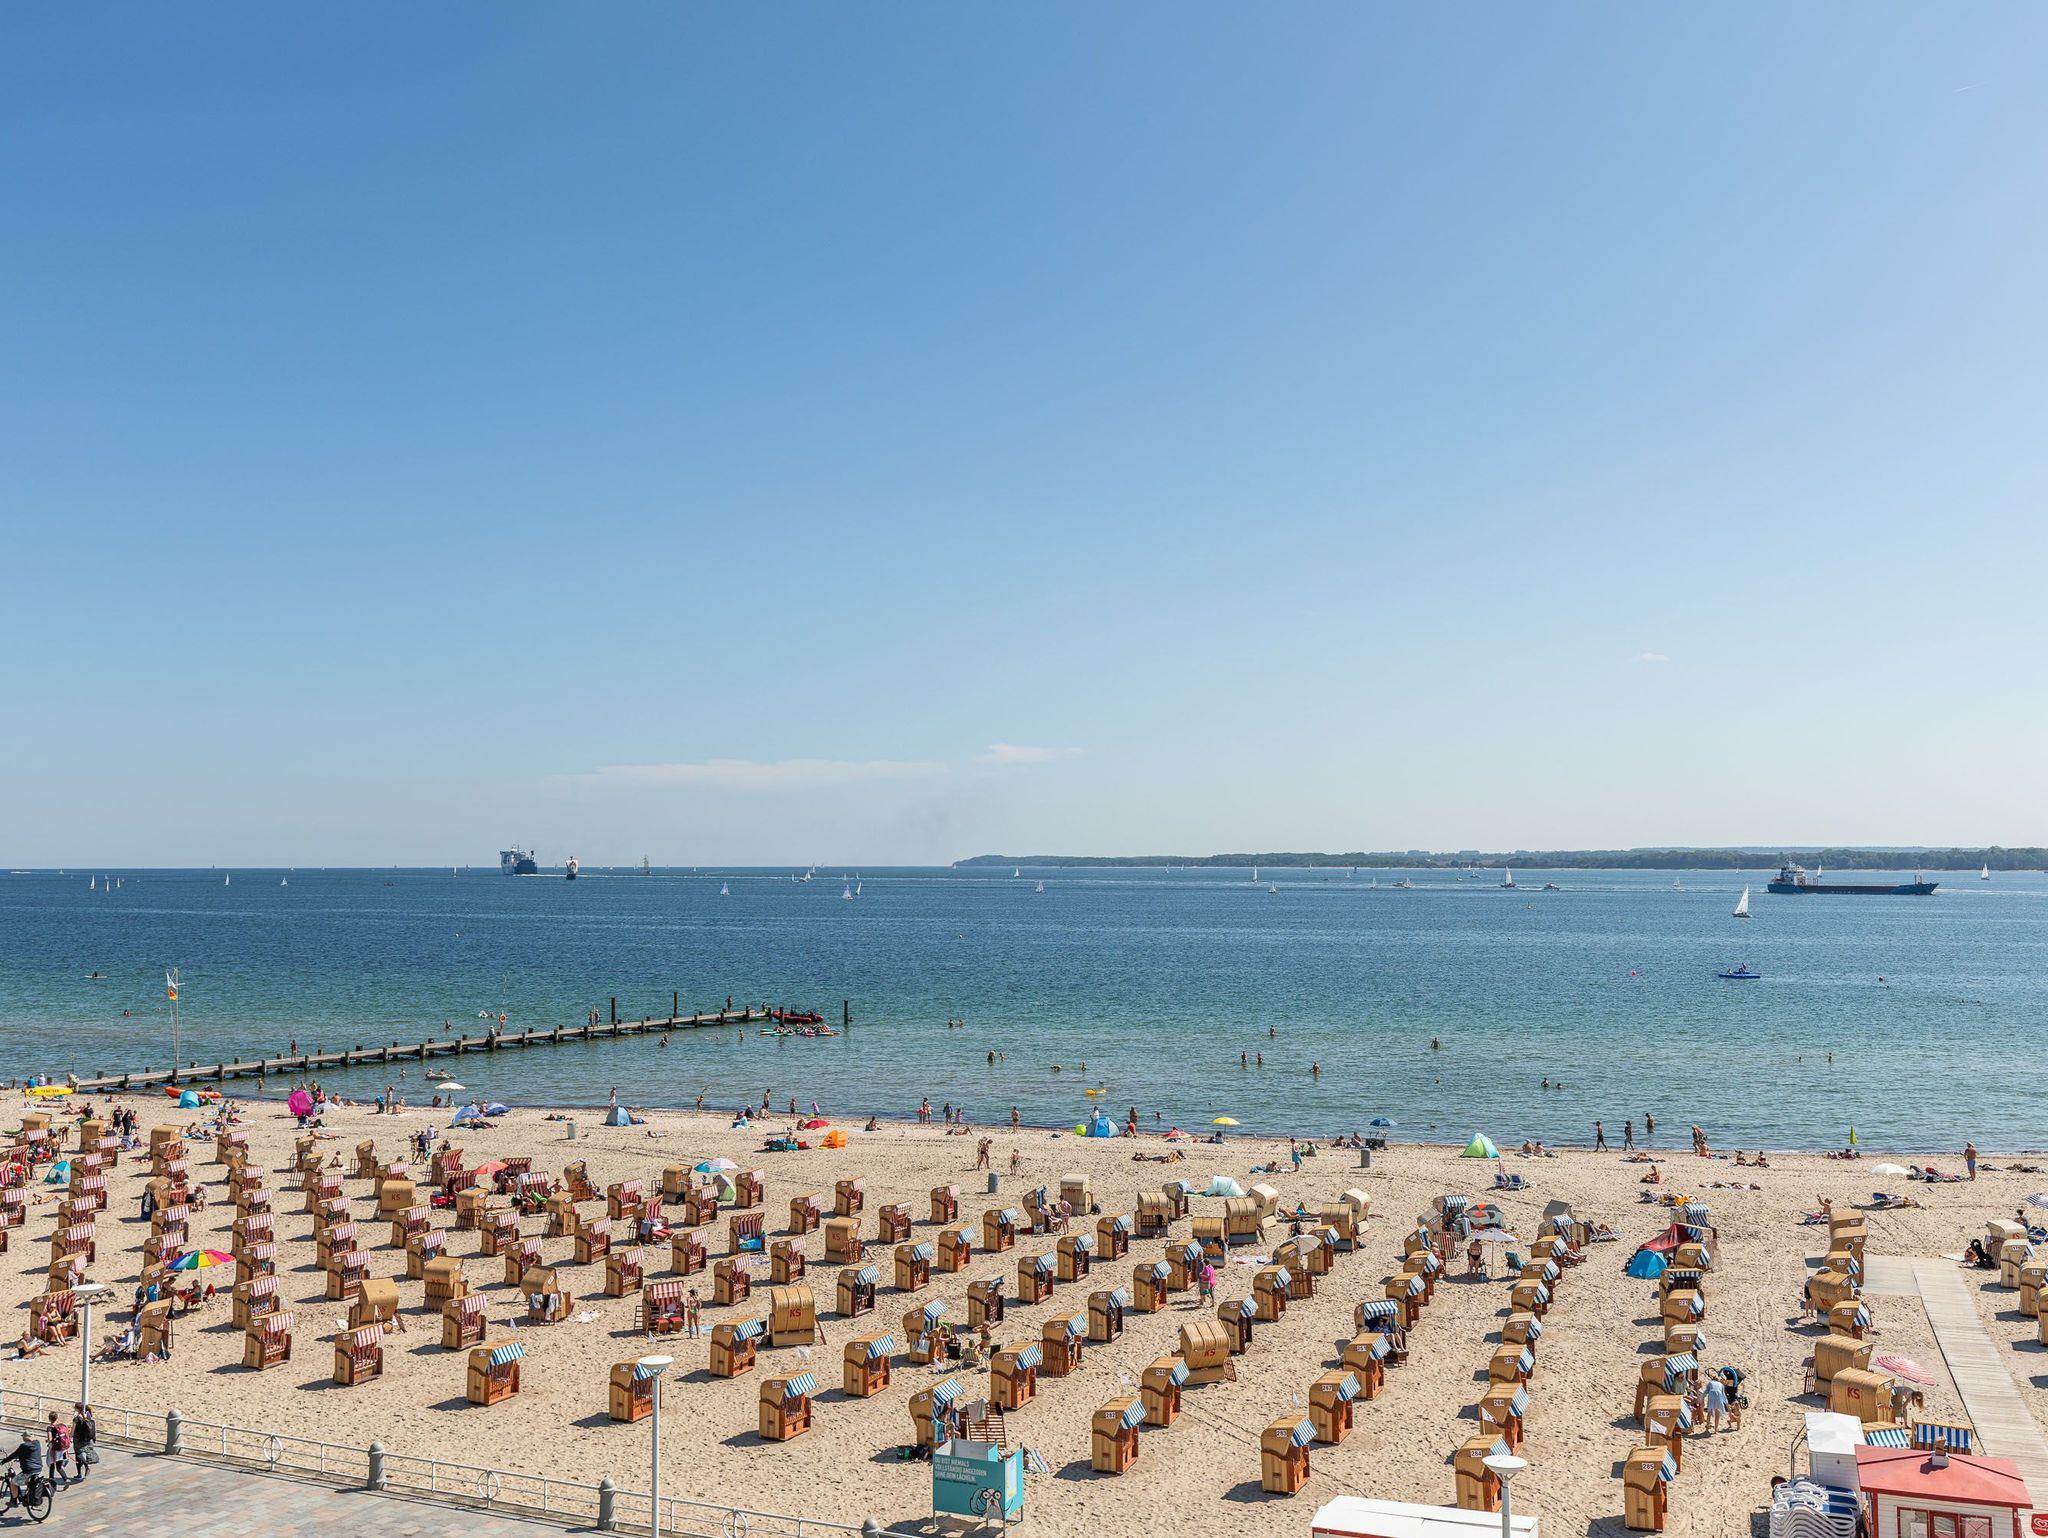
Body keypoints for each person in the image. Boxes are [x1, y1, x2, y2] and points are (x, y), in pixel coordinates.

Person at [68, 1405, 95, 1482]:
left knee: (78, 1455)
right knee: (83, 1453)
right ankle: (85, 1467)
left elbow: (73, 1431)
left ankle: (81, 1471)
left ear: (77, 1409)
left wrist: (69, 1438)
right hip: (86, 1439)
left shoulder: (76, 1419)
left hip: (77, 1439)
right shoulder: (87, 1416)